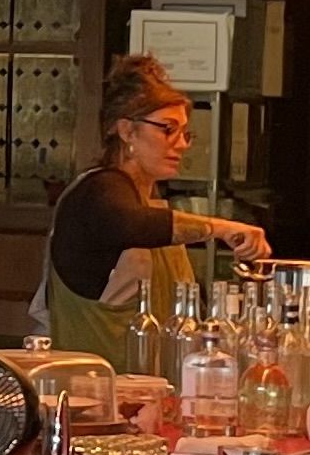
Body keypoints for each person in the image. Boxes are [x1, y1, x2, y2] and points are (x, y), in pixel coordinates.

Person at [39, 54, 268, 366]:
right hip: (98, 387)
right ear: (127, 131)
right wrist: (223, 228)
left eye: (185, 133)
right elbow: (130, 224)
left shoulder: (149, 200)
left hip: (157, 387)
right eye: (167, 129)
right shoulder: (97, 192)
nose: (181, 144)